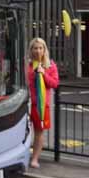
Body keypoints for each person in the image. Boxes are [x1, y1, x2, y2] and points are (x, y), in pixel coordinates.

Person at [27, 37, 59, 169]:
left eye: (40, 48)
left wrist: (43, 73)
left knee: (39, 132)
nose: (38, 51)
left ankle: (35, 159)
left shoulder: (50, 65)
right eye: (35, 48)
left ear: (44, 50)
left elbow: (54, 83)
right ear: (31, 50)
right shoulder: (27, 65)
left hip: (40, 105)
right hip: (25, 103)